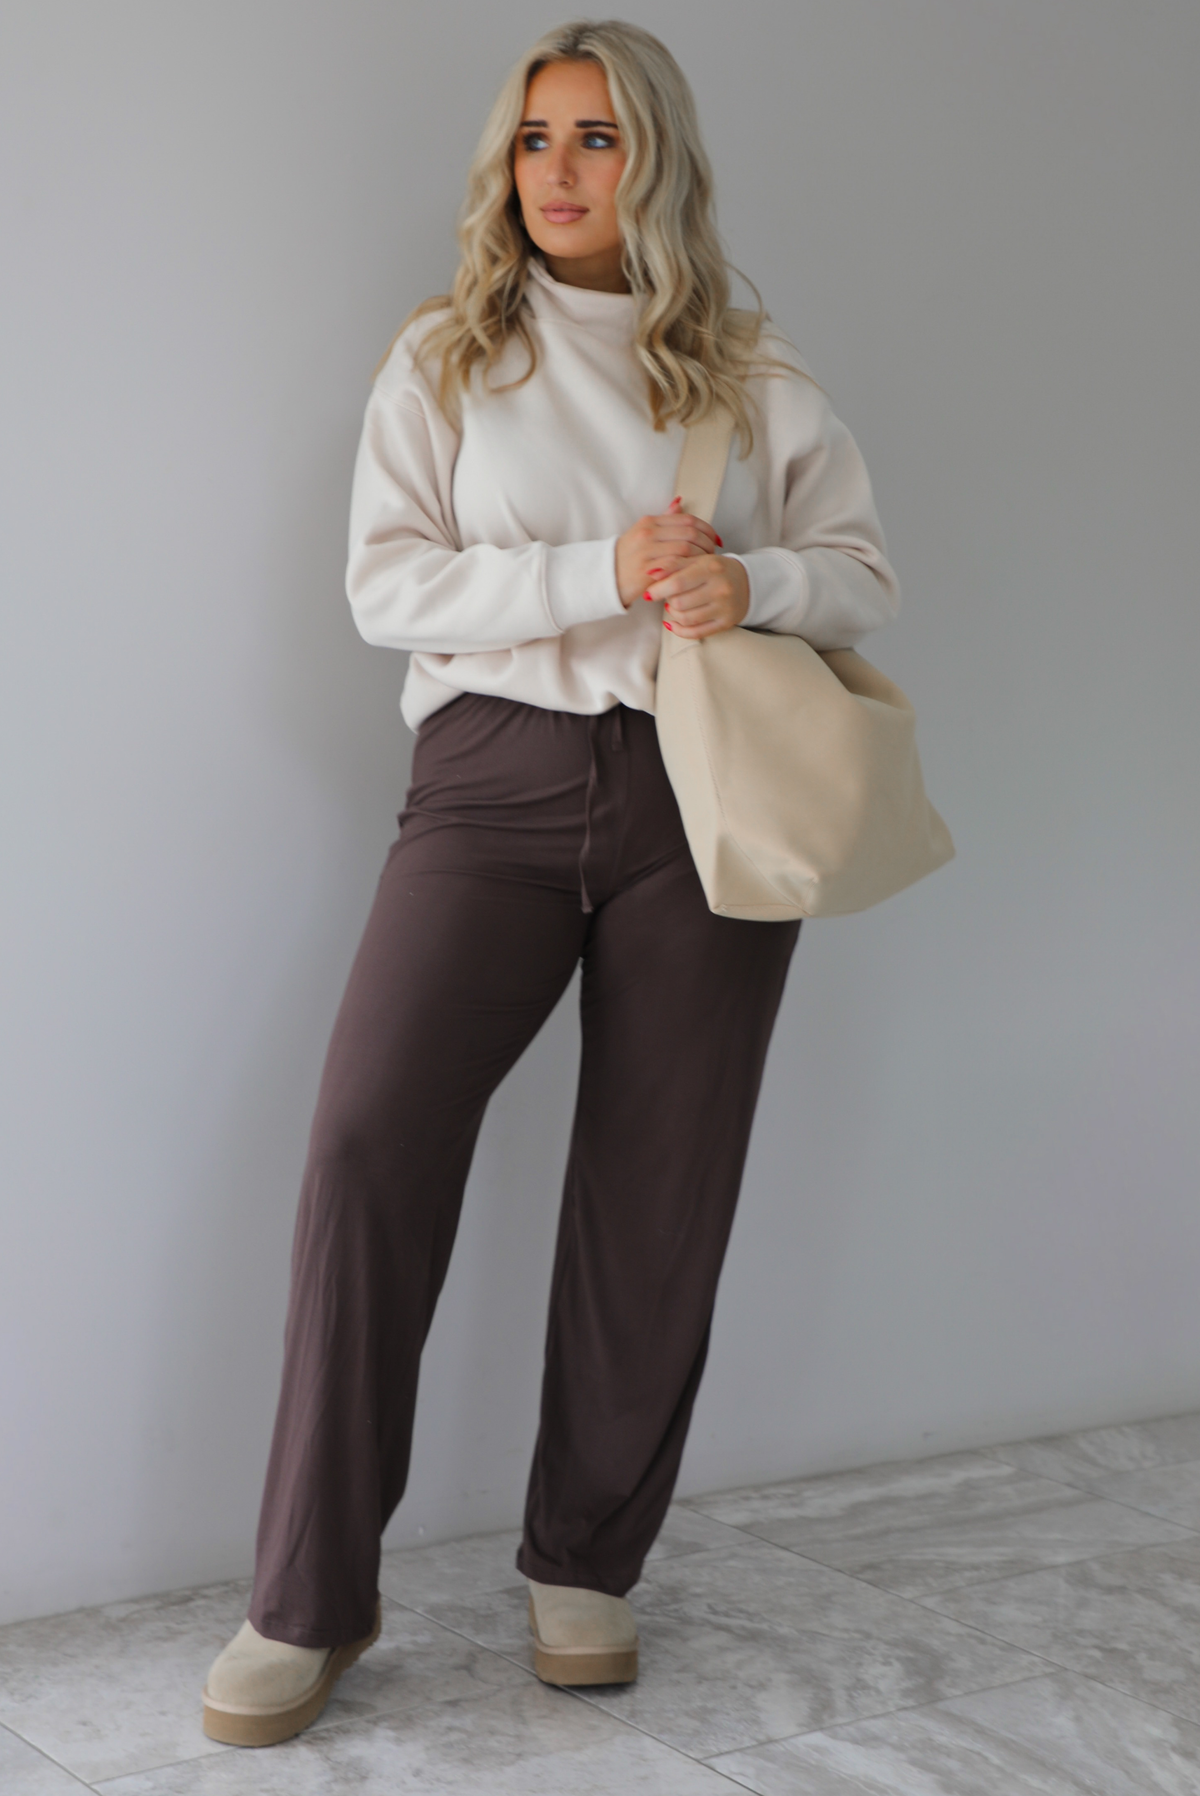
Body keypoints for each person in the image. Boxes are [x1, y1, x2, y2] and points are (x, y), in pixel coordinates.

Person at [201, 17, 899, 1747]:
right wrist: (604, 565)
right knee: (368, 1138)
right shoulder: (449, 355)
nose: (563, 171)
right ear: (504, 164)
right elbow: (390, 589)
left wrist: (758, 588)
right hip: (490, 788)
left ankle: (586, 1560)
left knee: (660, 1182)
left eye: (596, 138)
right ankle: (307, 1597)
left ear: (652, 155)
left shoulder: (750, 368)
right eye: (535, 141)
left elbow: (861, 571)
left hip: (701, 793)